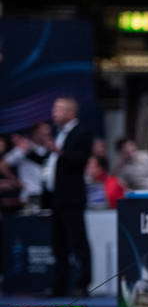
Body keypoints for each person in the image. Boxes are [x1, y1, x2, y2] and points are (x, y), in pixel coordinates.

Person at [42, 97, 94, 296]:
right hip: (57, 198)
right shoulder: (59, 134)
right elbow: (53, 163)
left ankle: (83, 284)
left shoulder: (82, 132)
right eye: (54, 109)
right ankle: (60, 285)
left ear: (71, 112)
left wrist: (58, 151)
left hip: (72, 198)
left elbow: (79, 160)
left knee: (78, 242)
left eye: (58, 109)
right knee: (58, 244)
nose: (54, 113)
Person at [5, 123, 52, 211]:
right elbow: (3, 165)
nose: (47, 136)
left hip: (49, 195)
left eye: (48, 134)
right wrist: (15, 181)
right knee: (34, 223)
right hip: (31, 195)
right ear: (35, 133)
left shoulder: (49, 149)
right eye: (44, 133)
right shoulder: (23, 147)